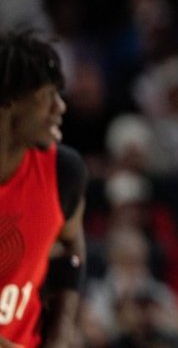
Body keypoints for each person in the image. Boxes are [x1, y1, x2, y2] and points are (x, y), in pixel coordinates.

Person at [0, 31, 87, 347]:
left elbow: (71, 250)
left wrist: (61, 333)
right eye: (47, 95)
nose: (60, 107)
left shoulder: (63, 172)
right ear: (8, 100)